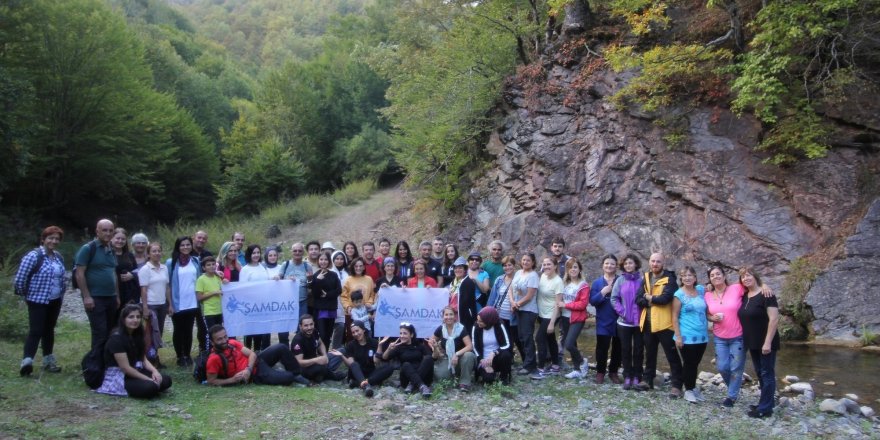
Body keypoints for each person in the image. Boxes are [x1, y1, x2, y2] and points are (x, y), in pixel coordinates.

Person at [16, 226, 66, 376]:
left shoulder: (58, 257)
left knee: (49, 330)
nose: (54, 241)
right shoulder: (33, 256)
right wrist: (27, 295)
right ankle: (27, 362)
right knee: (36, 330)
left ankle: (48, 360)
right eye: (51, 238)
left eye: (57, 239)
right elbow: (20, 279)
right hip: (37, 300)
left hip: (55, 300)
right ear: (43, 239)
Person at [96, 304, 172, 398]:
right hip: (120, 376)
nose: (135, 320)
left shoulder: (137, 335)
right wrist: (147, 379)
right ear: (123, 319)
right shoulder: (116, 339)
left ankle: (148, 385)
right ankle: (146, 386)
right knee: (150, 386)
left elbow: (143, 359)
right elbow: (125, 368)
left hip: (136, 370)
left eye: (138, 317)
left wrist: (155, 371)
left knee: (166, 380)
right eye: (131, 317)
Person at [738, 267, 780, 418]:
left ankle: (765, 409)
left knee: (767, 373)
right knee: (760, 373)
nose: (746, 279)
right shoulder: (745, 296)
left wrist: (767, 342)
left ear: (755, 276)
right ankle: (766, 401)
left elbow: (774, 319)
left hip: (766, 342)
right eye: (743, 277)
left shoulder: (766, 294)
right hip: (753, 342)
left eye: (748, 275)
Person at [205, 324, 308, 386]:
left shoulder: (232, 342)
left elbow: (252, 354)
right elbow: (211, 381)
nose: (224, 341)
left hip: (255, 363)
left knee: (281, 347)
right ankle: (290, 375)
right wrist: (232, 380)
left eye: (225, 337)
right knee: (288, 377)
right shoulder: (214, 359)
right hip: (256, 373)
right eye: (219, 339)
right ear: (212, 342)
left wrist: (248, 369)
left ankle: (297, 374)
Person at [639, 252, 682, 397]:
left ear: (663, 263)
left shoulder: (670, 279)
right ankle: (647, 380)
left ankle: (676, 385)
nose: (655, 264)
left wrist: (649, 297)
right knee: (649, 354)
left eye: (658, 261)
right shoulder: (646, 278)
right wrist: (651, 299)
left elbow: (665, 299)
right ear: (649, 262)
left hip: (665, 324)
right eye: (652, 261)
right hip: (648, 323)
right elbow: (638, 299)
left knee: (672, 355)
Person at [705, 264, 746, 407]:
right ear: (709, 280)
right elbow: (707, 313)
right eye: (712, 275)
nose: (715, 277)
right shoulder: (708, 295)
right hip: (719, 337)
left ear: (724, 276)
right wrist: (711, 318)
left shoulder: (736, 288)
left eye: (718, 274)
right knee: (722, 367)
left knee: (736, 367)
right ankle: (734, 389)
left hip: (738, 336)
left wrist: (764, 286)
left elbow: (753, 284)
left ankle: (731, 397)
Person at [75, 219, 119, 354]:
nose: (108, 233)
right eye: (104, 230)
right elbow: (79, 274)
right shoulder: (88, 248)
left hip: (111, 297)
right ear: (97, 231)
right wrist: (87, 296)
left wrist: (117, 295)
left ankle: (108, 362)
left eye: (111, 230)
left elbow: (113, 273)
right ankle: (95, 364)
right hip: (95, 297)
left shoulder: (111, 249)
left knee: (111, 330)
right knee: (100, 332)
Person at [671, 266, 709, 403]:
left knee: (695, 363)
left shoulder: (700, 290)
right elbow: (674, 317)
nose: (687, 278)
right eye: (684, 275)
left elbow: (712, 290)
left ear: (695, 277)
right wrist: (678, 336)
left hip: (702, 336)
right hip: (686, 336)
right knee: (689, 363)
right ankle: (688, 391)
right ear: (681, 278)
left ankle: (692, 388)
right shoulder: (678, 294)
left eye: (690, 275)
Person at [330, 321, 393, 397]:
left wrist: (379, 346)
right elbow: (351, 364)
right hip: (357, 373)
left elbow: (376, 361)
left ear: (363, 330)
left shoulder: (373, 342)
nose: (356, 334)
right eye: (353, 332)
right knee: (355, 364)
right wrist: (342, 356)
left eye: (357, 331)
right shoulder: (351, 345)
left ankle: (361, 383)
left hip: (370, 373)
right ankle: (365, 386)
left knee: (389, 368)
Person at [611, 254, 644, 390]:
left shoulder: (642, 280)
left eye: (631, 263)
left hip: (640, 322)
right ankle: (627, 376)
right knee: (625, 350)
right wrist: (623, 312)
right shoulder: (620, 280)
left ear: (636, 264)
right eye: (626, 264)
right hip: (624, 322)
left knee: (638, 350)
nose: (628, 265)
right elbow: (614, 298)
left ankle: (637, 376)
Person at [167, 236, 202, 367]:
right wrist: (169, 304)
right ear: (178, 247)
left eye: (188, 245)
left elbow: (201, 278)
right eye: (182, 245)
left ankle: (187, 354)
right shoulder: (171, 263)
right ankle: (179, 356)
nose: (186, 247)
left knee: (188, 329)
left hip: (192, 302)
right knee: (178, 329)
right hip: (178, 302)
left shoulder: (196, 261)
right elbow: (168, 284)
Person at [589, 254, 622, 385]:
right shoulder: (597, 283)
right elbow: (592, 301)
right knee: (602, 347)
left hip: (619, 319)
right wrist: (603, 292)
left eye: (612, 264)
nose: (609, 266)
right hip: (603, 319)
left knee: (618, 347)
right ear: (603, 265)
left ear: (616, 266)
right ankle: (600, 372)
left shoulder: (621, 280)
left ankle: (613, 371)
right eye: (607, 263)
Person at [379, 323, 433, 398]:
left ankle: (413, 384)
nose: (402, 336)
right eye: (400, 333)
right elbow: (384, 358)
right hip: (406, 379)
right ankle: (421, 386)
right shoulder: (398, 347)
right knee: (406, 364)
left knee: (428, 358)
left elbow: (433, 358)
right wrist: (388, 349)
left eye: (405, 333)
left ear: (411, 335)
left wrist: (435, 348)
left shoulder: (419, 346)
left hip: (422, 376)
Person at [486, 256, 523, 363]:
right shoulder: (499, 280)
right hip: (500, 315)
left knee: (517, 338)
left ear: (514, 265)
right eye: (505, 265)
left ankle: (526, 361)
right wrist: (488, 311)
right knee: (504, 339)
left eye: (509, 265)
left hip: (514, 315)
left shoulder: (519, 279)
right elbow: (492, 297)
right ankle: (508, 360)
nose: (507, 267)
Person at [430, 307, 476, 391]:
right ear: (443, 317)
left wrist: (457, 354)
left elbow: (469, 346)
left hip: (461, 358)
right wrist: (435, 347)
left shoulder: (461, 328)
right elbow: (431, 341)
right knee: (441, 377)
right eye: (446, 315)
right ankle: (455, 374)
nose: (449, 317)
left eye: (451, 314)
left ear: (455, 316)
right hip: (447, 358)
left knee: (469, 355)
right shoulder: (440, 329)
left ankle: (464, 383)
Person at [532, 257, 563, 380]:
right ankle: (555, 365)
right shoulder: (543, 276)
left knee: (539, 338)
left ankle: (540, 368)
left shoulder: (558, 281)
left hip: (551, 315)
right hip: (541, 314)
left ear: (555, 266)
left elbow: (558, 304)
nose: (546, 267)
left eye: (549, 264)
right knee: (550, 339)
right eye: (544, 264)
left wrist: (551, 323)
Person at [290, 315, 344, 383]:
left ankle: (323, 373)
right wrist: (316, 360)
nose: (309, 327)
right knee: (320, 368)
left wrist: (324, 355)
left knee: (341, 351)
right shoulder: (298, 340)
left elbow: (320, 344)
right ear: (300, 326)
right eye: (306, 325)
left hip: (316, 360)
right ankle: (332, 375)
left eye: (311, 324)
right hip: (305, 368)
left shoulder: (314, 331)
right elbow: (299, 362)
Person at [560, 258, 590, 379]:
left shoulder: (583, 285)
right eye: (570, 267)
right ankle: (577, 369)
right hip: (565, 317)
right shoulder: (564, 283)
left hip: (577, 318)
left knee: (569, 344)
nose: (573, 269)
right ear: (567, 269)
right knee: (574, 344)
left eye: (575, 267)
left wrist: (565, 305)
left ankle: (583, 362)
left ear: (579, 269)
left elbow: (582, 304)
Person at [511, 253, 540, 375]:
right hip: (518, 309)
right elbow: (511, 289)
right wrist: (513, 302)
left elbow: (529, 295)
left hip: (528, 310)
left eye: (528, 260)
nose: (525, 262)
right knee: (521, 337)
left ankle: (530, 366)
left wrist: (517, 304)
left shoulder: (533, 276)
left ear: (533, 262)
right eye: (523, 260)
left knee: (527, 337)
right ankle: (526, 362)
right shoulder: (518, 273)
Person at [239, 244, 271, 351]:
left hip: (262, 305)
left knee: (259, 331)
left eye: (258, 252)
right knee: (249, 333)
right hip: (250, 306)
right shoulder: (245, 269)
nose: (256, 255)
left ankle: (257, 353)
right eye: (254, 253)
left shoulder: (262, 267)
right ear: (249, 254)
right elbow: (242, 288)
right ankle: (247, 355)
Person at [138, 242, 170, 345]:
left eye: (159, 251)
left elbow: (167, 287)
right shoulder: (145, 269)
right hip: (151, 304)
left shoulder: (164, 268)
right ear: (148, 254)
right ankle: (148, 356)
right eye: (154, 251)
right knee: (150, 331)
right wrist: (145, 307)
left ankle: (155, 355)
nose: (157, 253)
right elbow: (144, 289)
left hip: (162, 304)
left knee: (159, 331)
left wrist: (170, 305)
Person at [472, 306, 513, 385]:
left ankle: (503, 377)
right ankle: (490, 374)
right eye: (477, 320)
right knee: (488, 379)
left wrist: (494, 352)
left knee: (506, 355)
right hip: (483, 359)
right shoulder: (476, 326)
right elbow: (474, 346)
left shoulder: (499, 324)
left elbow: (507, 344)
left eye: (481, 321)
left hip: (497, 357)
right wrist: (482, 361)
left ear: (489, 321)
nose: (478, 322)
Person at [309, 252, 342, 350]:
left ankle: (326, 354)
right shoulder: (315, 275)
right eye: (321, 259)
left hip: (331, 307)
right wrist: (318, 280)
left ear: (329, 261)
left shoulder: (334, 274)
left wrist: (327, 294)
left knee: (328, 334)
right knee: (322, 334)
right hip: (320, 309)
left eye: (325, 259)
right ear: (318, 261)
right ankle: (320, 353)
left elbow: (339, 290)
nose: (323, 262)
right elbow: (314, 294)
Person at [196, 256, 226, 351]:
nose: (211, 267)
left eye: (213, 264)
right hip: (209, 312)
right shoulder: (201, 279)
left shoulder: (218, 277)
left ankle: (219, 351)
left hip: (219, 311)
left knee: (220, 333)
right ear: (204, 268)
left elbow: (223, 290)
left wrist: (225, 282)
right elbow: (199, 297)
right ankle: (209, 353)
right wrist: (214, 292)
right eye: (208, 265)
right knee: (211, 334)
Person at [282, 242, 313, 325]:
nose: (297, 253)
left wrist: (310, 279)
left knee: (302, 326)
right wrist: (286, 280)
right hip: (287, 302)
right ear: (291, 252)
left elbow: (311, 286)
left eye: (300, 251)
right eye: (295, 251)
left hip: (302, 301)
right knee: (284, 326)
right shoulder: (285, 265)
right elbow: (278, 281)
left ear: (303, 252)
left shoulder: (307, 266)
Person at [448, 256, 480, 332]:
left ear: (465, 270)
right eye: (456, 268)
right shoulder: (453, 282)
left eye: (460, 268)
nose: (457, 270)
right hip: (453, 315)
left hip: (464, 316)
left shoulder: (468, 282)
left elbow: (466, 302)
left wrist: (453, 309)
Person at [111, 228, 140, 306]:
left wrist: (132, 275)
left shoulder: (129, 255)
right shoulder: (108, 254)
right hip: (114, 290)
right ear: (112, 238)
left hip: (129, 292)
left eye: (123, 239)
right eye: (118, 238)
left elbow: (137, 271)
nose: (120, 241)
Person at [329, 250, 350, 349]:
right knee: (333, 327)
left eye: (341, 259)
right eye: (337, 259)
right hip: (333, 304)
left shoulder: (348, 273)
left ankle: (338, 348)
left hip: (346, 303)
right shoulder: (330, 272)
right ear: (333, 260)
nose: (339, 261)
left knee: (342, 326)